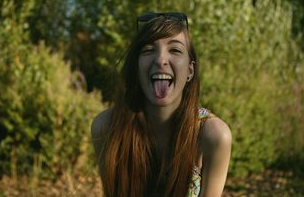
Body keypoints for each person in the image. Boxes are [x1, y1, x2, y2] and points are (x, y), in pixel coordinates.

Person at [91, 12, 232, 197]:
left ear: (190, 70)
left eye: (175, 50)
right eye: (148, 50)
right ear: (136, 67)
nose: (160, 60)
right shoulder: (107, 127)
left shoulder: (213, 136)